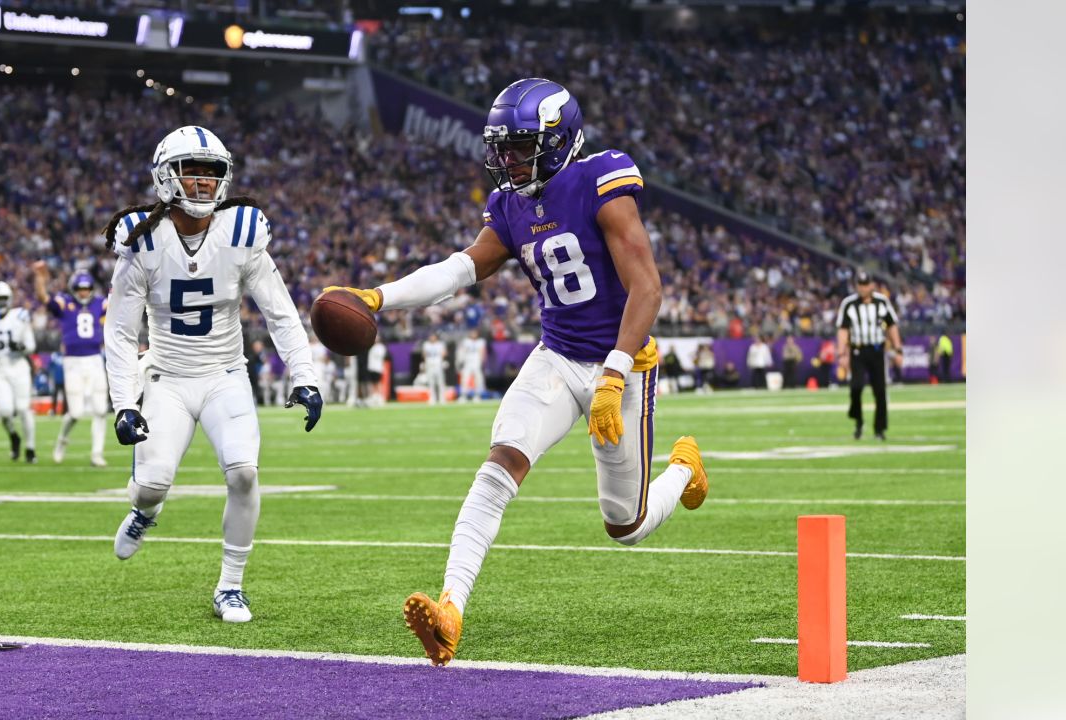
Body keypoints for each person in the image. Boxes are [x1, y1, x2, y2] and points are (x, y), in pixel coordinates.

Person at [325, 78, 708, 666]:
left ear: (558, 141)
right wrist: (378, 296)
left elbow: (648, 288)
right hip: (555, 357)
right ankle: (451, 608)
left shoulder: (600, 179)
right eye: (500, 146)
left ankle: (683, 470)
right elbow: (458, 270)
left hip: (622, 363)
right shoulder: (508, 204)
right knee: (500, 463)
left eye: (520, 146)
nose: (507, 159)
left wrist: (614, 373)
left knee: (624, 526)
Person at [102, 125, 323, 624]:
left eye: (211, 172)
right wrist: (124, 403)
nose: (201, 183)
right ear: (165, 177)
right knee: (152, 486)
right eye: (190, 171)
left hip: (225, 373)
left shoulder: (242, 233)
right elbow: (120, 332)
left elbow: (281, 312)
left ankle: (230, 586)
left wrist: (303, 375)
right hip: (165, 377)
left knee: (244, 473)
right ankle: (145, 513)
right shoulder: (142, 240)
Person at [34, 262, 110, 467]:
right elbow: (43, 298)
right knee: (75, 412)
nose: (84, 293)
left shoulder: (101, 303)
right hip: (72, 362)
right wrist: (40, 279)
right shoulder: (65, 303)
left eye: (86, 289)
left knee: (101, 410)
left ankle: (97, 453)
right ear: (73, 289)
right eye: (80, 289)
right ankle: (62, 440)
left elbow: (121, 304)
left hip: (95, 359)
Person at [836, 271, 903, 440]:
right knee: (856, 387)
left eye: (866, 284)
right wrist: (842, 353)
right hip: (857, 351)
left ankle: (879, 429)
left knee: (880, 390)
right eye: (860, 284)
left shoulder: (882, 302)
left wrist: (898, 349)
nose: (863, 288)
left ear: (872, 285)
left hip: (877, 350)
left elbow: (892, 326)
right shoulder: (849, 304)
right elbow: (843, 329)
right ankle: (858, 422)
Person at [0, 280, 38, 462]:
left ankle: (30, 448)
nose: (0, 303)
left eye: (3, 299)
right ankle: (13, 435)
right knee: (3, 411)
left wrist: (19, 346)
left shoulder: (19, 316)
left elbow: (31, 345)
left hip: (19, 366)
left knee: (23, 409)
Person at [458, 329, 488, 402]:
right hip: (467, 362)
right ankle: (463, 395)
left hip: (476, 362)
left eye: (475, 333)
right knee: (465, 378)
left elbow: (482, 352)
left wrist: (483, 361)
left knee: (478, 379)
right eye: (472, 333)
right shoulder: (466, 341)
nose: (473, 335)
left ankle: (477, 395)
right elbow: (462, 351)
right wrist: (461, 360)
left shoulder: (481, 341)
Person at [421, 333, 448, 404]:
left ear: (436, 337)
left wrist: (442, 361)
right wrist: (425, 363)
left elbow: (444, 353)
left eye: (433, 337)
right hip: (429, 364)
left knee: (440, 382)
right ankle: (432, 398)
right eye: (431, 337)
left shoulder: (440, 344)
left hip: (438, 364)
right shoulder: (426, 344)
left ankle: (442, 398)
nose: (432, 338)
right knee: (431, 382)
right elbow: (424, 354)